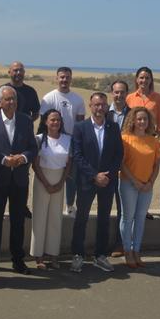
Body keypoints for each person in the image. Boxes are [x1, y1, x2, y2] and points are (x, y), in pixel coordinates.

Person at [0, 86, 37, 276]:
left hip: (20, 180)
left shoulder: (25, 120)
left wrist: (22, 158)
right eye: (7, 99)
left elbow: (32, 147)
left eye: (13, 99)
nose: (12, 102)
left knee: (18, 222)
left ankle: (18, 260)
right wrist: (5, 160)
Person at [69, 92, 123, 273]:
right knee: (81, 218)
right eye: (96, 105)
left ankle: (100, 256)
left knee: (104, 219)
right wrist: (94, 175)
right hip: (86, 181)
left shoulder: (113, 127)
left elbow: (118, 154)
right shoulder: (80, 127)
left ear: (107, 107)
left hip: (107, 182)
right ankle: (78, 255)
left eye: (102, 105)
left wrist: (108, 175)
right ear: (90, 106)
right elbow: (77, 155)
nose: (100, 108)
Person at [118, 107, 160, 269]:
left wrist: (151, 182)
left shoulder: (153, 141)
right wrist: (135, 181)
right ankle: (127, 251)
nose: (142, 122)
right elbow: (121, 163)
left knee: (141, 218)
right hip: (129, 183)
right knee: (128, 218)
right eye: (139, 119)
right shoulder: (125, 138)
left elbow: (156, 164)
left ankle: (137, 251)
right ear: (133, 120)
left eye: (145, 119)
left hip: (147, 186)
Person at [39, 66, 85, 215]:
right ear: (57, 78)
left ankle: (70, 205)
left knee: (71, 176)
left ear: (71, 79)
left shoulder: (77, 99)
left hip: (71, 142)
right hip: (52, 142)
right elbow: (43, 122)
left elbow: (80, 123)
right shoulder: (48, 98)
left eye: (67, 77)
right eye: (62, 77)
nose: (64, 80)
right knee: (52, 173)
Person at [30, 110, 71, 270]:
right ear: (45, 122)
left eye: (58, 120)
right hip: (42, 180)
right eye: (52, 120)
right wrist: (46, 183)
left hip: (60, 181)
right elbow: (35, 164)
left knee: (55, 218)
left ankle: (53, 255)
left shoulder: (68, 139)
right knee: (40, 218)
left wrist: (61, 182)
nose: (56, 123)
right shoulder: (39, 139)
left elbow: (69, 163)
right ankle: (39, 256)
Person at [106, 80, 131, 256]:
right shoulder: (104, 113)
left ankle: (120, 244)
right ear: (111, 93)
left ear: (127, 94)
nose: (119, 95)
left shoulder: (134, 114)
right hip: (107, 167)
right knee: (105, 206)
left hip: (127, 168)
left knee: (123, 209)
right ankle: (101, 245)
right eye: (116, 92)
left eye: (122, 92)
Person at [126, 66, 160, 134]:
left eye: (147, 78)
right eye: (141, 78)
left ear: (151, 80)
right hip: (133, 136)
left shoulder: (158, 98)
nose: (144, 80)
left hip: (151, 136)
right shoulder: (129, 98)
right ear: (137, 79)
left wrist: (158, 136)